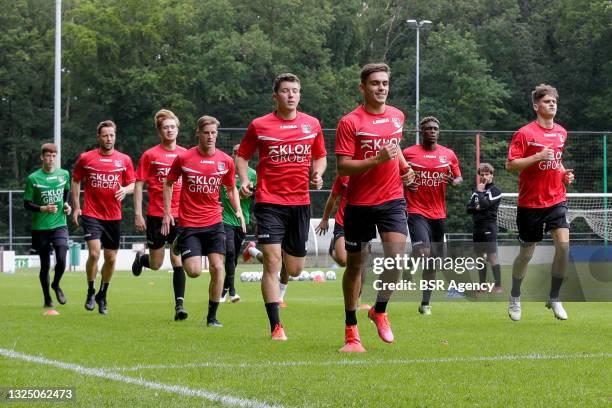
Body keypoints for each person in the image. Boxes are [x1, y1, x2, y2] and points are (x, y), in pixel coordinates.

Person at [236, 73, 327, 341]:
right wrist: (243, 180)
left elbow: (320, 156)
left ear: (300, 94)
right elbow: (242, 157)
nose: (291, 95)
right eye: (285, 91)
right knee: (273, 265)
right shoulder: (260, 125)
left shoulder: (312, 124)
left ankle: (260, 253)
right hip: (268, 202)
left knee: (296, 268)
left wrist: (318, 173)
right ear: (275, 95)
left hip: (300, 204)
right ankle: (276, 326)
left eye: (295, 90)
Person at [335, 63, 414, 353]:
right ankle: (351, 329)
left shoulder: (397, 116)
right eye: (374, 83)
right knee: (356, 265)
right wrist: (375, 161)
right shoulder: (350, 122)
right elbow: (343, 166)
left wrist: (404, 167)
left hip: (392, 200)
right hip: (358, 204)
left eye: (384, 83)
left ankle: (379, 310)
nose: (381, 88)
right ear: (362, 88)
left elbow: (396, 147)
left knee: (397, 260)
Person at [162, 115, 244, 327]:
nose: (210, 137)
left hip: (215, 222)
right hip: (189, 224)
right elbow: (168, 182)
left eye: (214, 133)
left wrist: (238, 211)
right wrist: (167, 212)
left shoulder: (225, 161)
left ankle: (212, 317)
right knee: (194, 271)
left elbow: (230, 187)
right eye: (206, 132)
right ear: (198, 133)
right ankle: (179, 243)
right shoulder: (184, 159)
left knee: (218, 267)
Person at [505, 84, 574, 321]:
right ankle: (515, 295)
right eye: (546, 101)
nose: (552, 104)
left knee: (564, 247)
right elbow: (511, 165)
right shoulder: (525, 133)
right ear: (536, 106)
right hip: (530, 204)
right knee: (526, 254)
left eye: (554, 101)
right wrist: (536, 157)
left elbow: (557, 161)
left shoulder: (562, 132)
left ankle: (554, 297)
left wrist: (564, 174)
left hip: (556, 199)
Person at [71, 120, 135, 315]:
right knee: (94, 253)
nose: (109, 139)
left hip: (113, 216)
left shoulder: (124, 160)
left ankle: (102, 293)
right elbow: (75, 181)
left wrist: (125, 189)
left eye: (112, 135)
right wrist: (76, 207)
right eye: (105, 135)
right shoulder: (86, 158)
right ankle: (90, 290)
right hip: (91, 214)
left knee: (111, 257)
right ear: (99, 137)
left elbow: (134, 184)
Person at [132, 109, 189, 321]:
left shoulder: (185, 154)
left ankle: (179, 306)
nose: (170, 130)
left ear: (178, 129)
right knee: (156, 264)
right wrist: (138, 213)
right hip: (156, 215)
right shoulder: (150, 155)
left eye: (173, 127)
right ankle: (142, 259)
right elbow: (138, 184)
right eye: (165, 127)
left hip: (181, 215)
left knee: (177, 259)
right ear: (160, 131)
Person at [403, 116, 463, 315]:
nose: (432, 131)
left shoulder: (448, 154)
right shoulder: (408, 153)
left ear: (439, 131)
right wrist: (405, 182)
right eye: (428, 128)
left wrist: (454, 182)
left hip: (438, 214)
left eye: (435, 128)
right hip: (416, 211)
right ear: (421, 132)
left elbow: (458, 177)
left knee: (433, 261)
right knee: (424, 252)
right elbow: (394, 175)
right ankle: (410, 265)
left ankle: (425, 303)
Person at [24, 143, 71, 308]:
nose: (51, 159)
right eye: (47, 156)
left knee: (61, 258)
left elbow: (66, 192)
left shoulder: (64, 174)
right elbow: (27, 204)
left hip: (59, 224)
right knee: (44, 265)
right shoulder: (33, 178)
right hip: (40, 228)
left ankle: (56, 284)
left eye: (53, 156)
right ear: (42, 157)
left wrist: (66, 205)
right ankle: (47, 298)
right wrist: (42, 208)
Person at [220, 144, 257, 304]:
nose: (237, 156)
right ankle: (230, 292)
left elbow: (257, 195)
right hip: (224, 218)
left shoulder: (252, 174)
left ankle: (226, 288)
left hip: (242, 220)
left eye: (241, 153)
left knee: (234, 256)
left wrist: (251, 191)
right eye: (235, 153)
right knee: (229, 253)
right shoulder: (225, 171)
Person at [466, 162, 503, 292]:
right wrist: (478, 204)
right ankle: (482, 285)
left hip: (489, 226)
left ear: (492, 175)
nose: (484, 177)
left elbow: (485, 204)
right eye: (482, 174)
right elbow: (469, 208)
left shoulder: (495, 190)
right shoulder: (477, 191)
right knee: (480, 257)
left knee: (492, 256)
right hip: (477, 227)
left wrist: (480, 194)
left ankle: (498, 286)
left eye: (487, 174)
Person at [316, 175, 349, 267]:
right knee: (343, 261)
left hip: (363, 222)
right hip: (342, 221)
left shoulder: (370, 171)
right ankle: (332, 249)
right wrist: (325, 219)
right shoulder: (344, 174)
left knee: (359, 263)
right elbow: (333, 197)